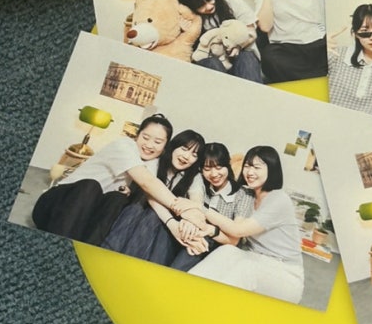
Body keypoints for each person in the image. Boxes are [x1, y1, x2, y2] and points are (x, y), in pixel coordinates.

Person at [32, 114, 206, 246]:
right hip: (55, 206)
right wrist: (183, 210)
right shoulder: (124, 146)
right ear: (137, 135)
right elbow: (147, 183)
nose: (149, 145)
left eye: (158, 142)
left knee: (117, 199)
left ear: (165, 145)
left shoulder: (153, 163)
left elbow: (152, 194)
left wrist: (184, 217)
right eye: (145, 138)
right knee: (91, 186)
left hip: (84, 219)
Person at [187, 145, 305, 305]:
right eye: (247, 166)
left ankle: (206, 306)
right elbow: (233, 234)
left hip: (285, 273)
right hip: (254, 258)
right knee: (227, 251)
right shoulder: (248, 195)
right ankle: (187, 289)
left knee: (246, 269)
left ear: (271, 170)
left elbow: (238, 230)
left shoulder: (279, 199)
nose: (250, 172)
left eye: (257, 167)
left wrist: (199, 207)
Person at [102, 128, 205, 262]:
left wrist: (191, 222)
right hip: (139, 213)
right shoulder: (154, 163)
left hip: (165, 227)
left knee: (158, 221)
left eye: (194, 155)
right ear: (173, 146)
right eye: (184, 149)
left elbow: (197, 203)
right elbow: (150, 195)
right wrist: (173, 222)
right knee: (144, 211)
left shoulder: (194, 176)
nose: (186, 156)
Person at [255, 0, 326, 82]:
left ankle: (313, 79)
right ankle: (314, 80)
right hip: (287, 46)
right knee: (270, 58)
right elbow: (265, 27)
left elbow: (338, 6)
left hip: (317, 41)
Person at [175, 0, 263, 82]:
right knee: (212, 62)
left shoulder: (232, 2)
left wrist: (239, 46)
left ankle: (253, 92)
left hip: (239, 56)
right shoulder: (187, 17)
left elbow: (251, 32)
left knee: (247, 58)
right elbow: (182, 51)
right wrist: (185, 32)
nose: (208, 6)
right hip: (210, 63)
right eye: (201, 5)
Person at [171, 141, 240, 273]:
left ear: (228, 164)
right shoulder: (198, 184)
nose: (213, 174)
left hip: (218, 246)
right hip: (190, 236)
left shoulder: (241, 194)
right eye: (207, 169)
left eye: (219, 167)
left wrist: (206, 229)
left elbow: (235, 239)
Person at [327, 4, 372, 124]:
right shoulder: (337, 55)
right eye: (365, 33)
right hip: (327, 124)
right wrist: (317, 48)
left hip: (368, 131)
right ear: (356, 34)